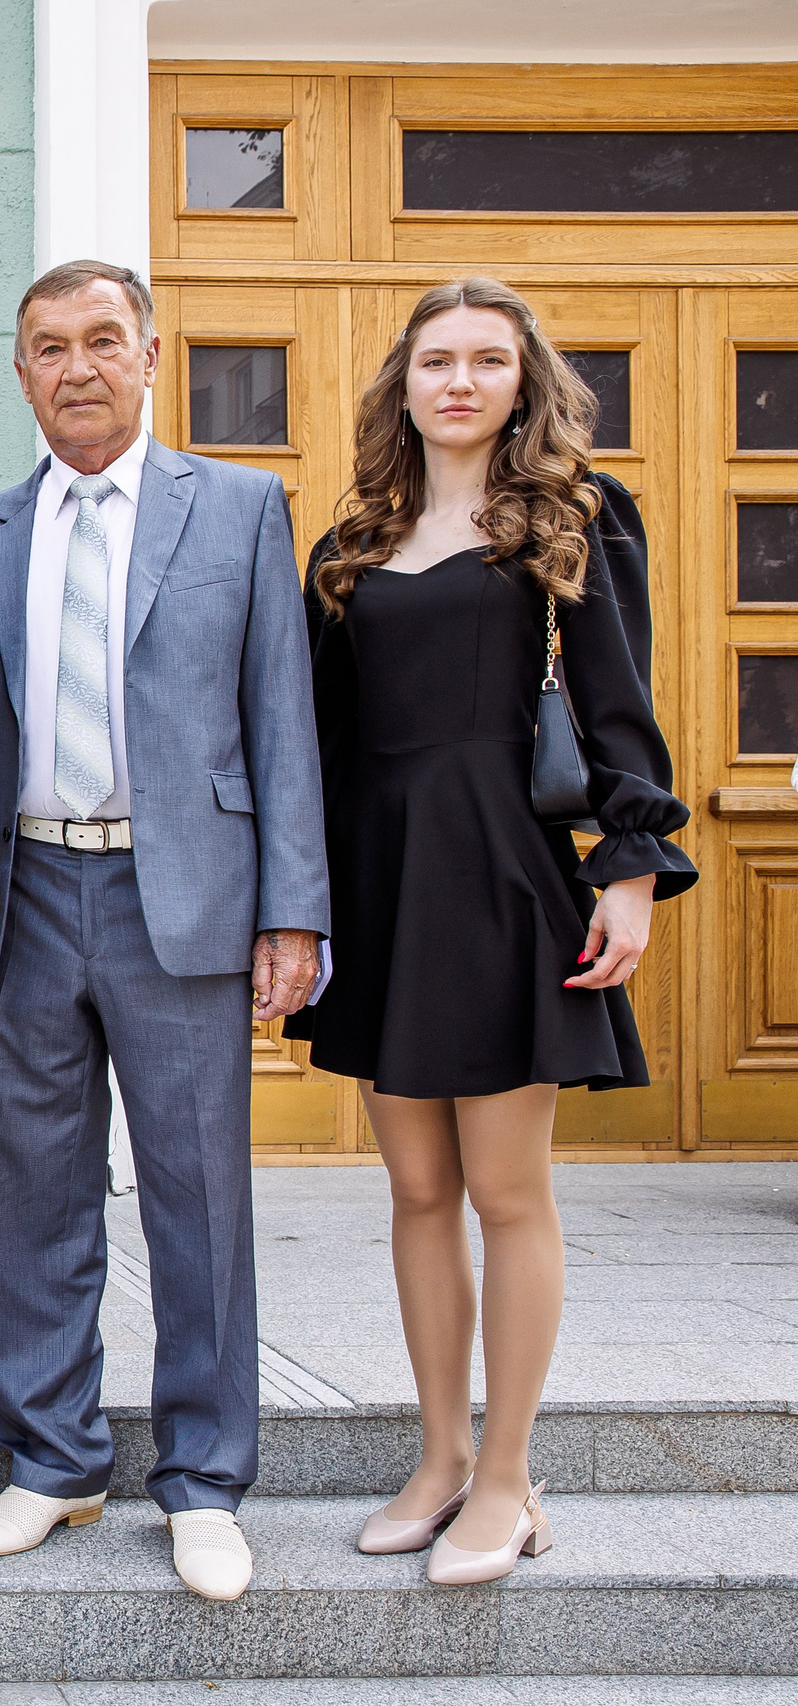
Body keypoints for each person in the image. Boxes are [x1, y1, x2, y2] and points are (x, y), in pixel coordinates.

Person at [285, 277, 695, 1585]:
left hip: (505, 873)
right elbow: (321, 742)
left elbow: (620, 702)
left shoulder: (576, 520)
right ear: (401, 384)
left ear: (525, 382)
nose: (459, 380)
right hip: (381, 875)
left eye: (488, 360)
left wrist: (630, 867)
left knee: (508, 1190)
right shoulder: (351, 543)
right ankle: (438, 1455)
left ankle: (510, 1477)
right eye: (436, 360)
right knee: (415, 1187)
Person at [0, 260, 328, 1603]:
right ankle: (52, 1459)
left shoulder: (234, 507)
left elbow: (281, 715)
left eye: (103, 339)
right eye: (47, 347)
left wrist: (295, 908)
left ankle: (208, 1474)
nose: (77, 368)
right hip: (31, 890)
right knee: (33, 1192)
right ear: (21, 372)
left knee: (198, 1196)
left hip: (189, 898)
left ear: (153, 351)